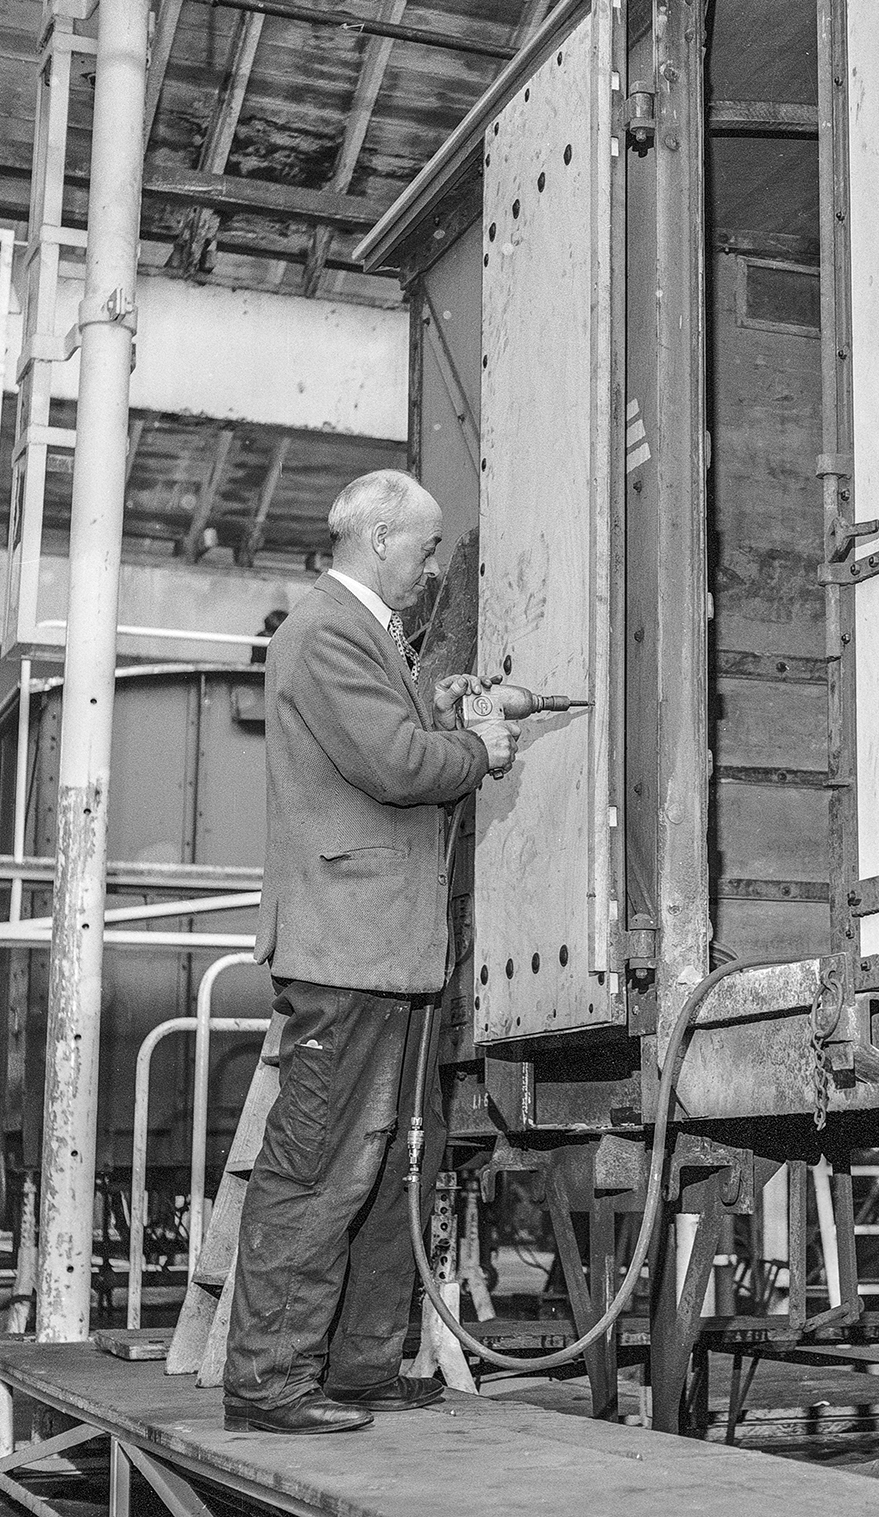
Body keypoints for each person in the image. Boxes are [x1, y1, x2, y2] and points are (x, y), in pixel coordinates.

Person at [223, 469, 515, 1436]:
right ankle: (269, 1383)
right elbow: (392, 764)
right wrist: (480, 748)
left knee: (391, 1168)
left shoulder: (366, 636)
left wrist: (456, 706)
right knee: (318, 1169)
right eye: (427, 548)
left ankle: (356, 1367)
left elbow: (393, 739)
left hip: (387, 953)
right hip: (347, 950)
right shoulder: (325, 630)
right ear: (382, 536)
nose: (433, 568)